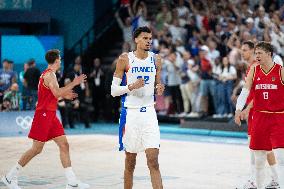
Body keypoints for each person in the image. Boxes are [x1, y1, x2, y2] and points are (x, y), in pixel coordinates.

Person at [1, 49, 90, 189]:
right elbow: (56, 92)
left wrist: (64, 95)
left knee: (64, 145)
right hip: (43, 115)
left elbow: (53, 94)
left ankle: (72, 182)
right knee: (36, 149)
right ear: (56, 60)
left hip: (51, 115)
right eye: (59, 59)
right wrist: (74, 83)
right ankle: (9, 177)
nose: (60, 60)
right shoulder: (49, 75)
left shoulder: (49, 74)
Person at [111, 26, 164, 189]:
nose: (148, 41)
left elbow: (158, 84)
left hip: (149, 113)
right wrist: (131, 86)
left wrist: (160, 88)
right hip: (131, 114)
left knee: (153, 161)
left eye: (150, 39)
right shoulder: (125, 59)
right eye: (145, 38)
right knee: (130, 162)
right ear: (136, 40)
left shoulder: (156, 59)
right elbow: (113, 91)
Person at [235, 41, 284, 189]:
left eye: (259, 53)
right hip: (260, 117)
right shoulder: (254, 70)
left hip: (278, 117)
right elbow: (245, 91)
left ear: (269, 54)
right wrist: (238, 109)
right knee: (259, 158)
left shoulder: (280, 70)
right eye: (255, 53)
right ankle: (260, 186)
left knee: (280, 157)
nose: (257, 56)